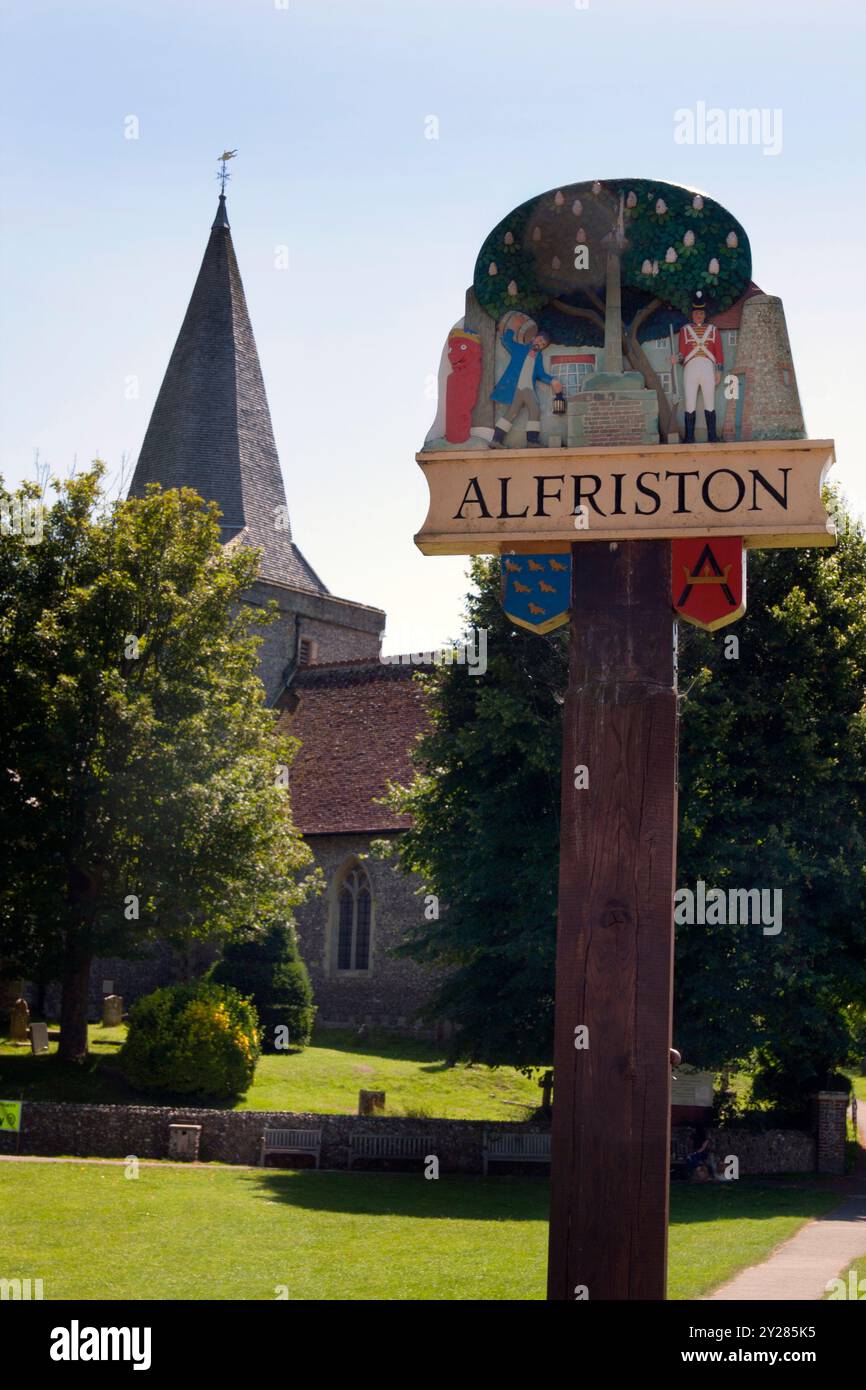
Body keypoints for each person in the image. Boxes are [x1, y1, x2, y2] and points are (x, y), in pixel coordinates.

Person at [490, 315, 563, 447]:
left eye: (543, 344)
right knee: (521, 411)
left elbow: (540, 373)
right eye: (540, 340)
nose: (540, 344)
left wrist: (552, 380)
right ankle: (500, 440)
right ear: (534, 338)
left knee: (527, 411)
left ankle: (526, 441)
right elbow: (506, 341)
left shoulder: (538, 357)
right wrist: (513, 327)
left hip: (527, 388)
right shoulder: (520, 349)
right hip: (517, 387)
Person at [671, 290, 723, 443]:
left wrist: (718, 371)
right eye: (696, 313)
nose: (698, 316)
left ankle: (712, 436)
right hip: (691, 367)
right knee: (690, 402)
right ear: (692, 315)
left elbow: (718, 352)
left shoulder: (713, 330)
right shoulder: (685, 330)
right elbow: (682, 353)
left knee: (710, 401)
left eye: (701, 313)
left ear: (704, 314)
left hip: (708, 366)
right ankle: (689, 437)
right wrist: (676, 358)